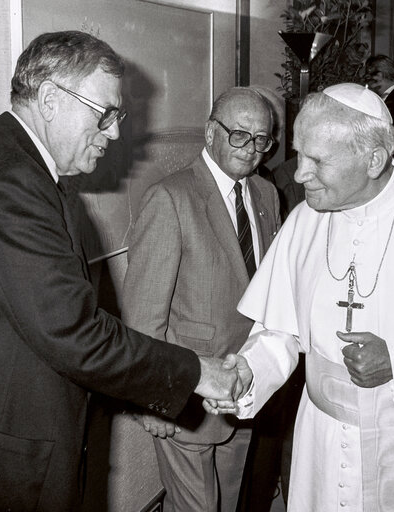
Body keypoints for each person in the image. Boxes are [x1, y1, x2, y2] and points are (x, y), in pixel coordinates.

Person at [0, 31, 239, 511]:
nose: (115, 132)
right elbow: (74, 333)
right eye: (104, 113)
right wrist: (196, 372)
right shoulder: (10, 184)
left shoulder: (17, 165)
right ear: (49, 99)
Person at [208, 83, 394, 511]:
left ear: (374, 160)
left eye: (317, 160)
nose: (299, 173)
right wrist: (247, 372)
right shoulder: (306, 218)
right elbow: (281, 330)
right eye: (299, 153)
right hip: (322, 444)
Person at [122, 87, 281, 512]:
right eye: (239, 135)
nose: (251, 149)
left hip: (243, 389)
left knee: (227, 505)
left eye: (262, 139)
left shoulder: (265, 195)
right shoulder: (170, 198)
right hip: (186, 395)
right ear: (211, 133)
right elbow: (143, 318)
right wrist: (153, 398)